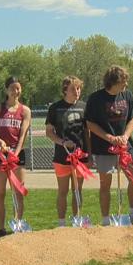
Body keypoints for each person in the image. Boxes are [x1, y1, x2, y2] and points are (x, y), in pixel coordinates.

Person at [85, 65, 133, 225]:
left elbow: (132, 118)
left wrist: (125, 136)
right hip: (104, 148)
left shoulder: (127, 95)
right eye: (123, 82)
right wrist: (108, 137)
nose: (126, 85)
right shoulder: (96, 99)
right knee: (105, 184)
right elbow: (90, 123)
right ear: (113, 82)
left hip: (125, 146)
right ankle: (105, 219)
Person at [0, 76, 32, 238]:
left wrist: (15, 154)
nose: (15, 91)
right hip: (0, 154)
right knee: (0, 193)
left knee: (18, 192)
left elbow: (23, 135)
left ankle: (17, 226)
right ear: (6, 90)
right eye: (12, 88)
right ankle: (1, 229)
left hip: (17, 156)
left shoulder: (25, 111)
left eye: (18, 88)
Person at [45, 75, 89, 226]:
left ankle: (77, 220)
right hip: (62, 156)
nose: (77, 91)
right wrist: (63, 142)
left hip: (81, 157)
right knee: (63, 191)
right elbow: (49, 132)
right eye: (73, 89)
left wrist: (90, 154)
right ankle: (62, 223)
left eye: (78, 88)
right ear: (65, 90)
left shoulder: (84, 107)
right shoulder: (55, 108)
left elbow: (88, 131)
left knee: (77, 190)